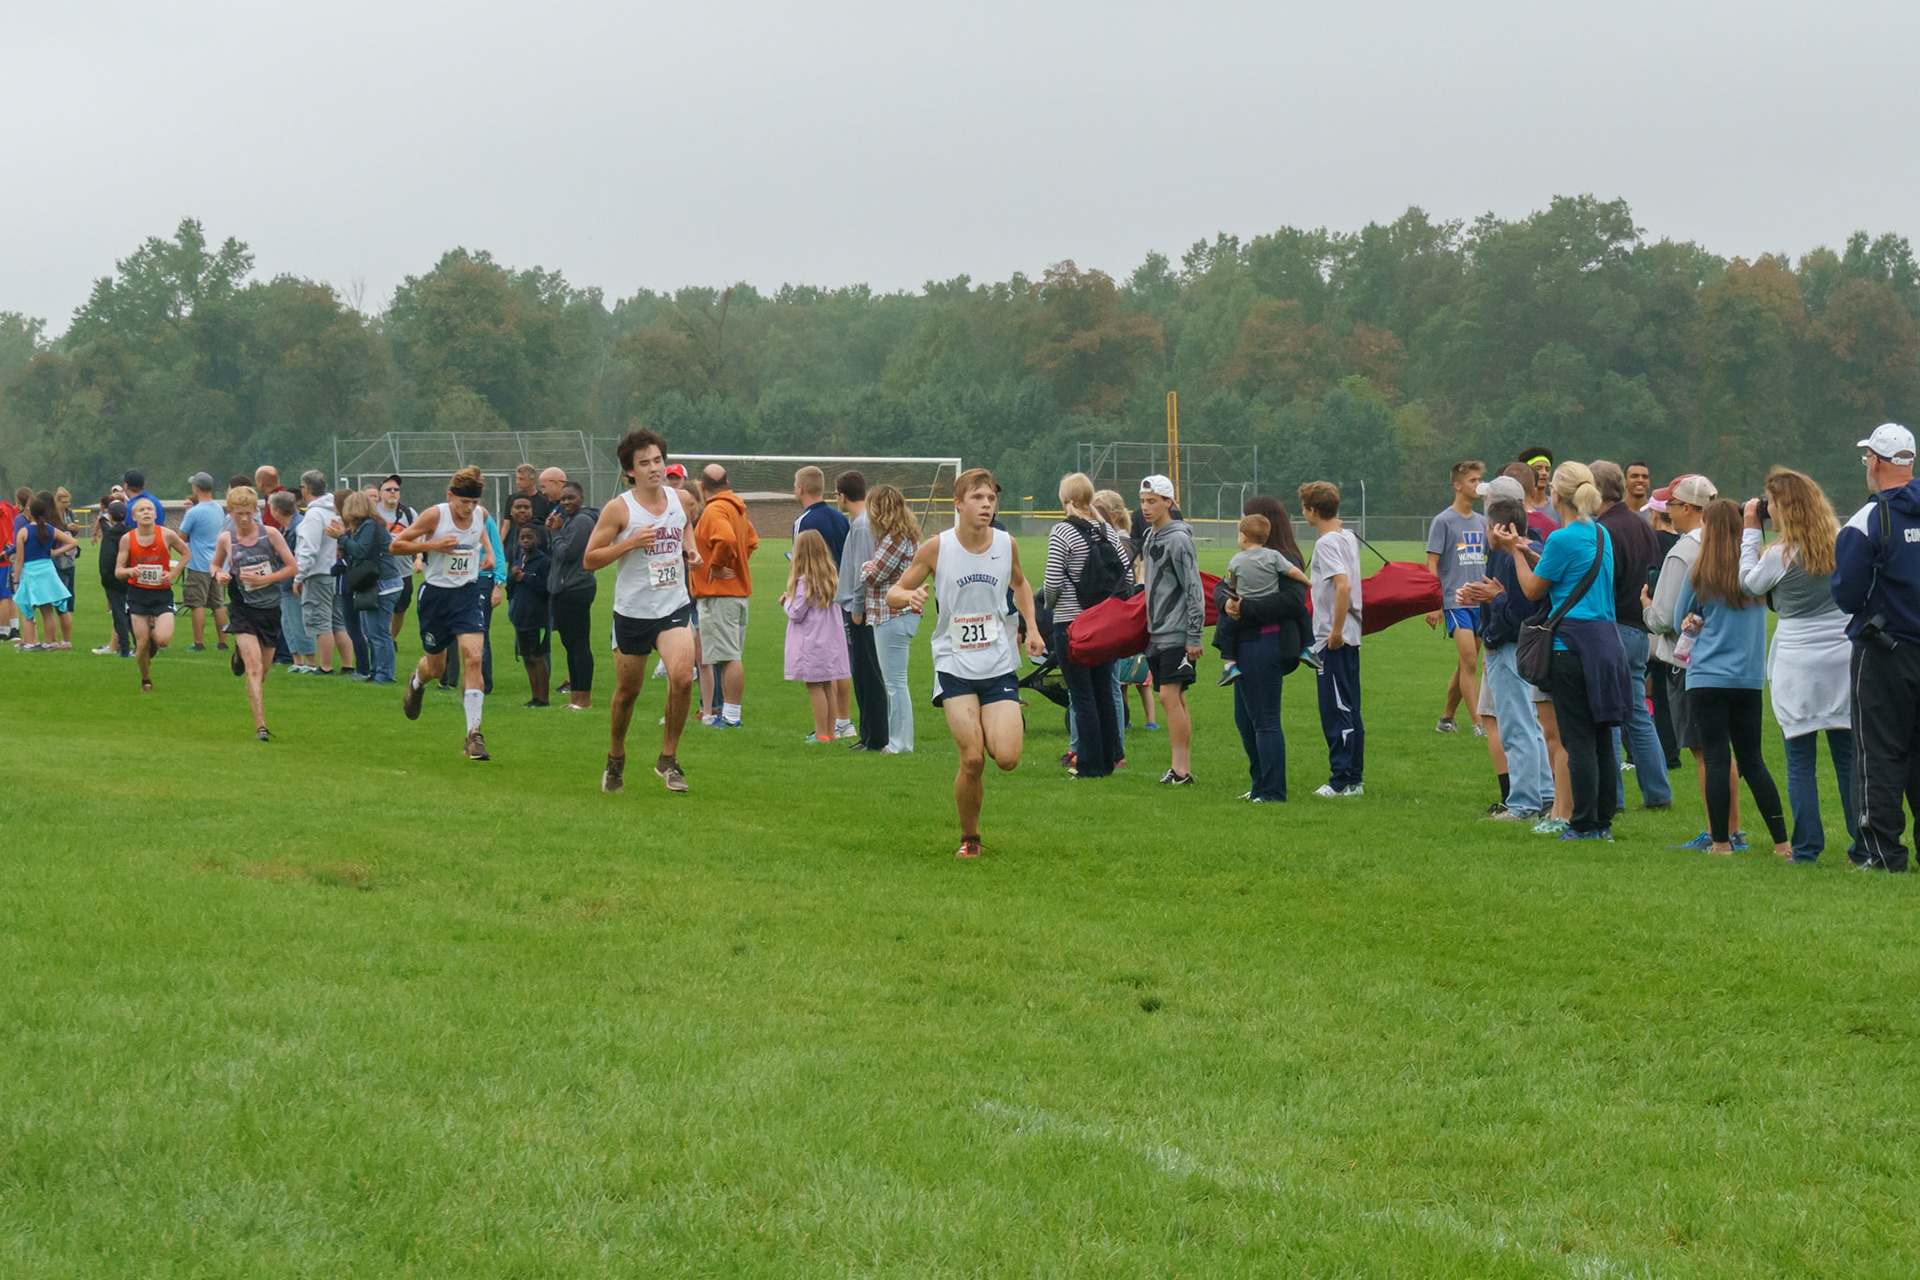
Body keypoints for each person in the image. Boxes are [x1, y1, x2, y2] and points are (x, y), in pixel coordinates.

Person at [886, 467, 1045, 858]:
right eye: (977, 498)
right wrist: (909, 598)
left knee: (1007, 759)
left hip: (999, 662)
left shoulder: (1006, 544)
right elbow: (894, 591)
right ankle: (970, 838)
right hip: (954, 663)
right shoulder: (937, 548)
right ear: (958, 503)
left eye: (991, 498)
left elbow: (1021, 583)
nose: (986, 505)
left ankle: (998, 723)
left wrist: (1032, 626)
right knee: (972, 759)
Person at [1490, 462, 1632, 842]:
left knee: (1577, 738)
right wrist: (1529, 551)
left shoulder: (1561, 538)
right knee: (1601, 737)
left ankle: (1582, 824)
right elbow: (1567, 573)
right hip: (1606, 644)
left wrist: (1515, 553)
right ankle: (1602, 823)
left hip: (1570, 645)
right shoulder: (1600, 534)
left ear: (1556, 495)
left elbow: (1533, 589)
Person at [1740, 469, 1857, 863]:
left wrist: (1750, 531)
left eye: (1771, 503)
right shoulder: (1841, 542)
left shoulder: (1780, 555)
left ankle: (1806, 848)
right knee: (1847, 757)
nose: (1767, 509)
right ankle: (1862, 844)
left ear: (1785, 508)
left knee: (1800, 759)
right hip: (1841, 654)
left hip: (1798, 659)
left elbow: (1749, 584)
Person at [1670, 499, 1792, 857]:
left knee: (1716, 758)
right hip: (1748, 678)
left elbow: (1679, 619)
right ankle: (1782, 843)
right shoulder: (1754, 575)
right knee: (1753, 760)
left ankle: (1721, 842)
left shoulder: (1700, 573)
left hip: (1707, 676)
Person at [583, 429, 703, 794]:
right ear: (630, 471)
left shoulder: (680, 499)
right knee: (627, 693)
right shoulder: (619, 509)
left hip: (673, 606)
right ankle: (615, 758)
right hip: (633, 613)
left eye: (658, 460)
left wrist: (691, 550)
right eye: (644, 463)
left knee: (682, 678)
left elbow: (685, 526)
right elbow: (590, 559)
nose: (654, 468)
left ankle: (668, 758)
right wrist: (630, 543)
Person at [1833, 422, 1920, 871]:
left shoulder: (1867, 520)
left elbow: (1847, 593)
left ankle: (1883, 853)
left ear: (1878, 462)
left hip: (1884, 651)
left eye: (1868, 457)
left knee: (1879, 752)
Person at [1643, 473, 1740, 845]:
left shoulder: (1683, 551)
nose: (1667, 510)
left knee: (1704, 753)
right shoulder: (1730, 544)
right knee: (1723, 750)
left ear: (1687, 507)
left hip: (1688, 662)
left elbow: (1665, 617)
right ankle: (1733, 828)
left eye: (1670, 503)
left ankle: (1719, 832)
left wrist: (1646, 605)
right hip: (1729, 658)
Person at [1458, 491, 1553, 821]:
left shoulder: (1513, 558)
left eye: (1488, 526)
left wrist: (1494, 607)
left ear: (1501, 528)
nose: (1486, 533)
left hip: (1511, 648)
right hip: (1516, 647)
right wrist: (1484, 598)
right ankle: (1545, 794)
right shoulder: (1521, 549)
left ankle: (1523, 803)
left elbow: (1521, 611)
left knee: (1515, 727)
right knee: (1529, 726)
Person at [391, 466, 497, 760]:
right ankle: (417, 682)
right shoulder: (435, 516)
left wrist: (489, 551)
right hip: (436, 597)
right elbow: (395, 545)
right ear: (451, 495)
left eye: (474, 502)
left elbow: (481, 532)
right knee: (436, 669)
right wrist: (432, 545)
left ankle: (473, 735)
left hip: (467, 594)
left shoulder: (481, 514)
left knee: (474, 657)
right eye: (464, 502)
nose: (469, 508)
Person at [1591, 461, 1673, 812]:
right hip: (1641, 629)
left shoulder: (1603, 530)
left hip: (1613, 629)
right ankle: (1658, 794)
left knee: (1608, 717)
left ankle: (1613, 798)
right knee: (1638, 714)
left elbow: (1601, 584)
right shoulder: (1642, 526)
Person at [1220, 505, 1313, 803]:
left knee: (1265, 720)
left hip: (1266, 641)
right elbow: (1222, 587)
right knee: (1245, 720)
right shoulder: (1244, 559)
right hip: (1245, 645)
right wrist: (1226, 602)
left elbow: (1292, 602)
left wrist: (1244, 607)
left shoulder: (1282, 558)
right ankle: (1259, 784)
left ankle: (1273, 791)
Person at [1044, 473, 1130, 778]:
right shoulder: (1107, 531)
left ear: (1065, 498)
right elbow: (1126, 575)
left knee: (1082, 695)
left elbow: (1052, 582)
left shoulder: (1062, 531)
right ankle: (1109, 759)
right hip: (1104, 623)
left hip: (1072, 623)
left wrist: (1050, 606)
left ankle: (1089, 764)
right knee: (1104, 692)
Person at [210, 486, 297, 740]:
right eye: (240, 514)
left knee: (263, 673)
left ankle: (239, 654)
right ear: (230, 512)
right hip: (242, 608)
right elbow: (215, 564)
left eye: (249, 513)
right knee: (254, 668)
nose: (245, 519)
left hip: (269, 608)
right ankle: (261, 727)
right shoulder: (226, 539)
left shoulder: (270, 535)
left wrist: (265, 579)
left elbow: (292, 567)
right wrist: (219, 575)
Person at [1138, 474, 1204, 785]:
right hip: (1157, 632)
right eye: (1142, 501)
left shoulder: (1179, 540)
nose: (1145, 507)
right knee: (1176, 698)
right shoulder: (1150, 536)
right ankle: (1182, 769)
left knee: (1167, 696)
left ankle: (1180, 770)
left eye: (1152, 501)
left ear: (1168, 502)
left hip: (1177, 632)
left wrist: (1194, 635)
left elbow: (1193, 588)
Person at [1301, 481, 1365, 797]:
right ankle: (1354, 779)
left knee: (1336, 709)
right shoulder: (1346, 536)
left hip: (1333, 638)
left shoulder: (1326, 544)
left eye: (1304, 508)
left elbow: (1343, 586)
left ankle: (1340, 781)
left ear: (1312, 510)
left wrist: (1334, 632)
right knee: (1351, 706)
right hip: (1352, 634)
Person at [691, 464, 757, 729]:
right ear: (727, 483)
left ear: (702, 486)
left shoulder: (715, 509)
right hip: (737, 593)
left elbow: (726, 540)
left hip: (721, 596)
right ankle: (728, 714)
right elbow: (751, 541)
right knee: (730, 655)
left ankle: (731, 716)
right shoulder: (737, 509)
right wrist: (738, 564)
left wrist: (717, 566)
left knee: (729, 657)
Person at [1425, 460, 1488, 734]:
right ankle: (1479, 723)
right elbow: (1432, 563)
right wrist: (1434, 603)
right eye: (1473, 480)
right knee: (1470, 662)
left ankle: (1446, 720)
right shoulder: (1443, 521)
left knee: (1465, 665)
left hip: (1480, 603)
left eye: (1479, 480)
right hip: (1456, 602)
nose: (1478, 485)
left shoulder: (1482, 522)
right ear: (1457, 485)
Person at [859, 483, 923, 753]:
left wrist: (865, 567)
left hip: (892, 614)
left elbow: (873, 576)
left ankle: (900, 743)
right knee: (896, 682)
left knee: (895, 684)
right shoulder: (904, 535)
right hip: (898, 614)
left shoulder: (895, 538)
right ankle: (899, 740)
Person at [1214, 514, 1312, 686]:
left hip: (1244, 611)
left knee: (1227, 627)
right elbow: (1292, 571)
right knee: (1302, 613)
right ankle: (1309, 647)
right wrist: (1307, 582)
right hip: (1269, 605)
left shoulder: (1236, 560)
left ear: (1243, 537)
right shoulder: (1274, 556)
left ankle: (1229, 664)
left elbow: (1229, 584)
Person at [793, 466, 853, 737]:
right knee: (839, 661)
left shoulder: (803, 522)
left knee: (819, 674)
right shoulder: (841, 519)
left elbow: (798, 565)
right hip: (840, 596)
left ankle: (824, 730)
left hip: (814, 602)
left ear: (801, 488)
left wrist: (792, 594)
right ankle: (843, 722)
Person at [835, 471, 889, 752]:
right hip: (858, 607)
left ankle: (877, 736)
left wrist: (857, 607)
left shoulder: (862, 525)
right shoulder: (860, 522)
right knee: (861, 672)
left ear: (842, 496)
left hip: (861, 610)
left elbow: (864, 571)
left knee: (868, 672)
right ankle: (867, 735)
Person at [784, 529, 853, 742]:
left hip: (812, 641)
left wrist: (786, 602)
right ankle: (830, 732)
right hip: (830, 640)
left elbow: (796, 612)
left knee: (814, 686)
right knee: (827, 685)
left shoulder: (805, 581)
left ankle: (821, 733)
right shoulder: (831, 578)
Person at [115, 495, 189, 691]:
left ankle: (154, 645)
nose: (146, 512)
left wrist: (172, 573)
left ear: (156, 515)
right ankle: (145, 680)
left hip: (161, 595)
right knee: (142, 643)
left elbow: (186, 554)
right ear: (134, 517)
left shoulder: (167, 535)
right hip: (137, 595)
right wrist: (130, 571)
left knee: (162, 639)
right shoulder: (127, 539)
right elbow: (118, 571)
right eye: (141, 510)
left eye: (149, 509)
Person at [1093, 488, 1143, 760]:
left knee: (1111, 684)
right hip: (1110, 615)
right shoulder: (1114, 538)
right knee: (1109, 684)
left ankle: (1115, 750)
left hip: (1111, 616)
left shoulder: (1119, 541)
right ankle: (1110, 748)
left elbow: (1124, 582)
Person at [338, 490, 402, 685]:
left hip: (383, 584)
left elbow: (361, 551)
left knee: (379, 632)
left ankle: (385, 675)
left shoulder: (369, 526)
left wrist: (341, 538)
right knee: (372, 632)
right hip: (377, 584)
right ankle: (376, 672)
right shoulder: (369, 526)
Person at [293, 471, 353, 676]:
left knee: (321, 622)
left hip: (318, 574)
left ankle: (325, 667)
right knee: (339, 622)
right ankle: (347, 665)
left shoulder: (314, 514)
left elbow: (309, 548)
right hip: (337, 573)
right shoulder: (334, 511)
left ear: (305, 489)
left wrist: (299, 575)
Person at [545, 481, 599, 710]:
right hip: (564, 589)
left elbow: (566, 553)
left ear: (581, 497)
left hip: (576, 589)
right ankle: (575, 697)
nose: (566, 502)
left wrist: (556, 532)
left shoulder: (582, 521)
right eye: (563, 499)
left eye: (571, 498)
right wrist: (554, 531)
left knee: (579, 645)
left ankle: (583, 699)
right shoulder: (570, 521)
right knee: (570, 645)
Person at [9, 493, 77, 649]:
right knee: (47, 610)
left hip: (30, 572)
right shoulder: (50, 529)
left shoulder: (24, 531)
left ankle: (29, 643)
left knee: (28, 611)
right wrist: (55, 552)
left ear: (30, 512)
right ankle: (49, 642)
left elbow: (19, 559)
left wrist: (16, 580)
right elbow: (72, 542)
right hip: (47, 570)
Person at [176, 472, 229, 652]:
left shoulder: (194, 511)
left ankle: (198, 643)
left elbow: (182, 536)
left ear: (196, 488)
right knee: (218, 604)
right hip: (217, 563)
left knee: (196, 603)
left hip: (199, 564)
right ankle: (222, 642)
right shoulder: (218, 508)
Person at [269, 490, 315, 671]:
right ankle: (297, 661)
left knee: (300, 622)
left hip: (296, 582)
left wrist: (298, 577)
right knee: (287, 623)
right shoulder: (284, 529)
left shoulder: (298, 527)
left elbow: (302, 556)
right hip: (284, 583)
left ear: (277, 510)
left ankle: (310, 663)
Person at [508, 522, 553, 706]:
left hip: (538, 619)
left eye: (530, 537)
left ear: (538, 539)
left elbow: (547, 588)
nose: (526, 541)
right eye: (522, 538)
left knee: (538, 657)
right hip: (521, 617)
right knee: (527, 657)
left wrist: (526, 577)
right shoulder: (519, 561)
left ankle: (544, 698)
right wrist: (512, 577)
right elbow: (510, 589)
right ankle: (534, 697)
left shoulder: (544, 562)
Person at [376, 476, 419, 643]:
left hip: (403, 571)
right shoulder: (373, 513)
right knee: (378, 608)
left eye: (396, 489)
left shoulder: (408, 513)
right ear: (381, 493)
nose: (393, 492)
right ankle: (382, 639)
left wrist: (418, 557)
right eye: (389, 489)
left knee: (400, 608)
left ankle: (391, 638)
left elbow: (418, 537)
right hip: (378, 572)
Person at [92, 499, 132, 657]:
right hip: (128, 577)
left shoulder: (109, 533)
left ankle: (124, 649)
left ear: (111, 516)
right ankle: (137, 645)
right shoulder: (130, 533)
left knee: (119, 615)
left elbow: (101, 520)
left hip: (112, 580)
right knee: (133, 613)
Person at [49, 487, 80, 647]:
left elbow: (71, 535)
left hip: (68, 558)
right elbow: (53, 532)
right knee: (59, 598)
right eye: (64, 502)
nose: (66, 505)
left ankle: (66, 637)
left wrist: (74, 530)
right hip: (55, 559)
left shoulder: (69, 513)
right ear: (57, 501)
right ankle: (60, 636)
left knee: (68, 596)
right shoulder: (51, 515)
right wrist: (67, 528)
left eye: (68, 502)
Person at [1517, 448, 1559, 538]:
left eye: (1547, 469)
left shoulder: (1557, 506)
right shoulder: (1518, 508)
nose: (1544, 473)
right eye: (1538, 469)